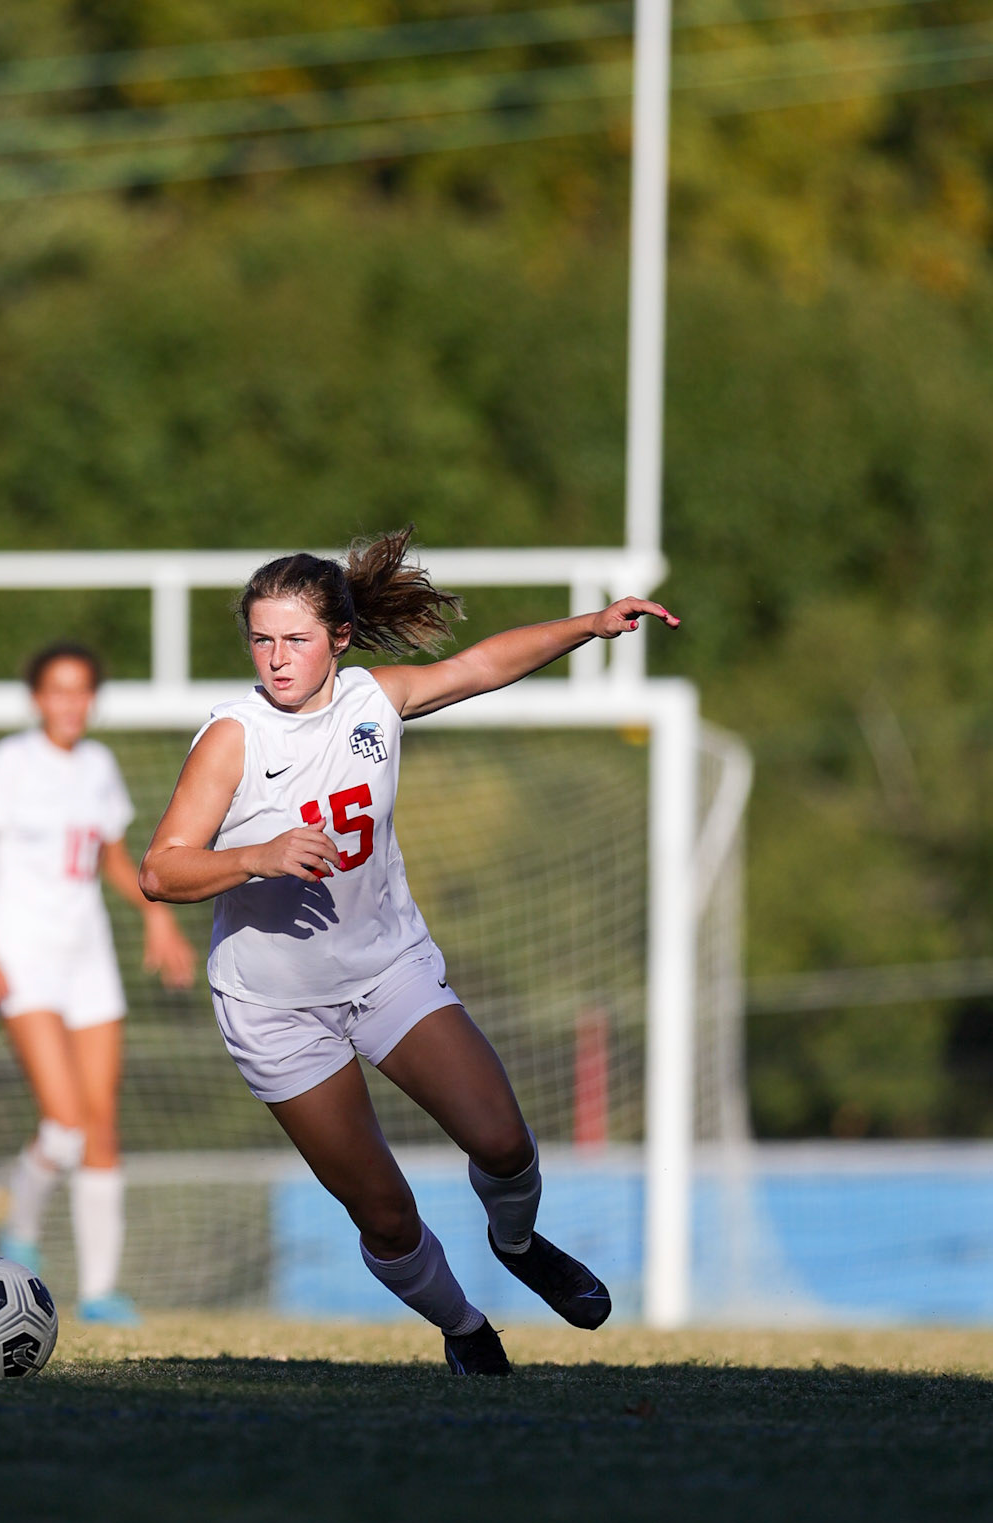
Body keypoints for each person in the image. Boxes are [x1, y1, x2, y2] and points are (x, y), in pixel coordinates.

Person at [139, 530, 680, 1374]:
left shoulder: (373, 700)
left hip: (388, 972)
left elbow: (481, 666)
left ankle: (517, 1243)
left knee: (502, 1143)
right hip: (275, 1011)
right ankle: (466, 1330)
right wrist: (257, 855)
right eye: (261, 639)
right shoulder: (234, 737)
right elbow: (160, 870)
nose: (276, 659)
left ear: (339, 638)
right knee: (385, 1216)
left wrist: (591, 624)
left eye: (295, 639)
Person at [0, 640, 195, 1324]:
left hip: (89, 955)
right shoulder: (10, 761)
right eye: (57, 689)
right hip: (22, 954)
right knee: (65, 1124)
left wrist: (157, 920)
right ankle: (20, 1228)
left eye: (81, 689)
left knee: (100, 1124)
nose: (70, 702)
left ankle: (100, 1291)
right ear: (37, 698)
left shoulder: (99, 766)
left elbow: (111, 857)